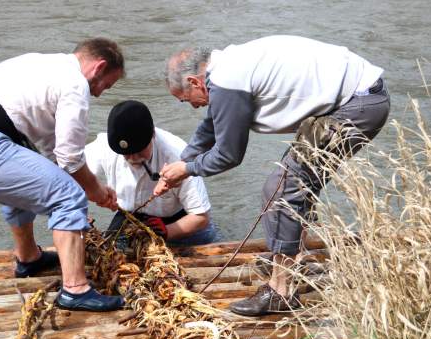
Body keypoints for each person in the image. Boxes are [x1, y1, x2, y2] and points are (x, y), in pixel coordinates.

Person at [156, 35, 390, 316]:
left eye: (185, 100)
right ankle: (297, 258)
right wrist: (181, 164)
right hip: (360, 98)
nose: (192, 106)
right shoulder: (225, 69)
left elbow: (229, 155)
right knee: (294, 183)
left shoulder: (227, 81)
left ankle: (281, 292)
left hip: (358, 106)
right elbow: (212, 126)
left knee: (281, 190)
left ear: (195, 82)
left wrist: (188, 169)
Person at [0, 38, 126, 312]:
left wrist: (83, 191)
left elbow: (52, 153)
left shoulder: (43, 64)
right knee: (67, 197)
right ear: (99, 67)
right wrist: (94, 191)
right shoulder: (75, 84)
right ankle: (75, 290)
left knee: (35, 179)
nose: (99, 93)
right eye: (105, 85)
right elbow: (71, 158)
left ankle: (28, 259)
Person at [85, 100, 222, 246]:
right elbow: (72, 175)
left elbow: (201, 216)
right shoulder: (103, 146)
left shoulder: (178, 155)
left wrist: (166, 231)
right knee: (111, 254)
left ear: (153, 136)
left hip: (179, 220)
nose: (133, 159)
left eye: (139, 151)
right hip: (130, 217)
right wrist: (87, 200)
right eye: (126, 154)